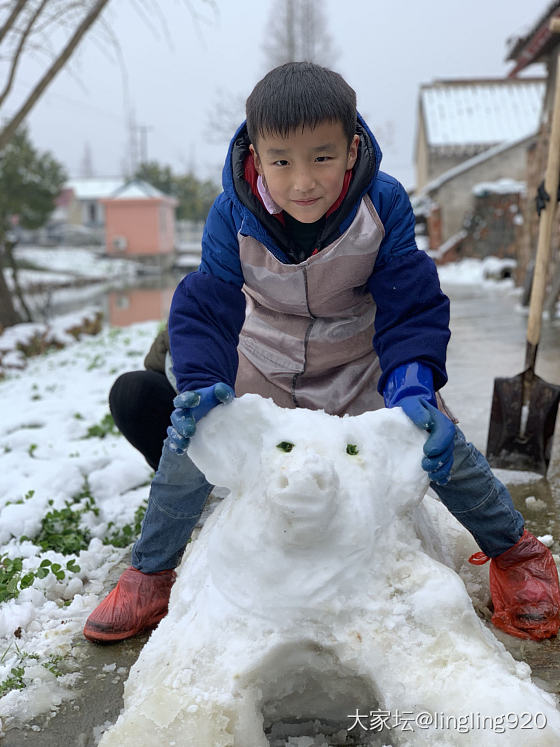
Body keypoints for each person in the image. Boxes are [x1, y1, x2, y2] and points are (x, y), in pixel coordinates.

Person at [84, 62, 560, 644]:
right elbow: (208, 305)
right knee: (195, 435)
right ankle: (151, 571)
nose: (302, 181)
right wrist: (203, 382)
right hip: (264, 358)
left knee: (436, 436)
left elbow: (410, 303)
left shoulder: (382, 203)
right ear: (257, 154)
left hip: (358, 361)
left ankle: (514, 552)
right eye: (281, 160)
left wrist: (411, 382)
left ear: (352, 148)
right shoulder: (231, 211)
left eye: (322, 157)